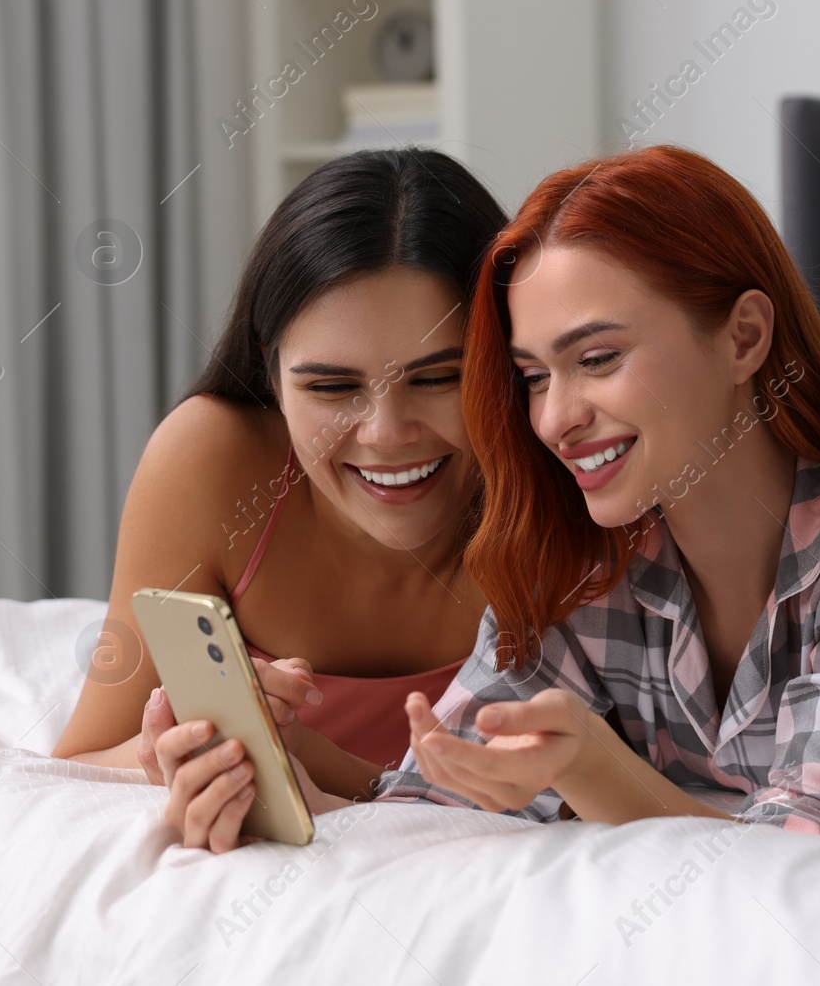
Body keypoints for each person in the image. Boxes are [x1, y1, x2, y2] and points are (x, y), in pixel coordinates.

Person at [298, 145, 820, 846]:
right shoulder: (583, 548)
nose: (556, 420)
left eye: (596, 360)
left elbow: (812, 849)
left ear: (744, 337)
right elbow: (446, 796)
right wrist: (299, 787)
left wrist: (596, 769)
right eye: (534, 377)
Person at [52, 149, 507, 851]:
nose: (387, 434)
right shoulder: (210, 460)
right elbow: (82, 761)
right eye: (330, 387)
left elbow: (602, 775)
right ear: (270, 367)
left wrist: (319, 763)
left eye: (439, 377)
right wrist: (177, 753)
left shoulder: (559, 480)